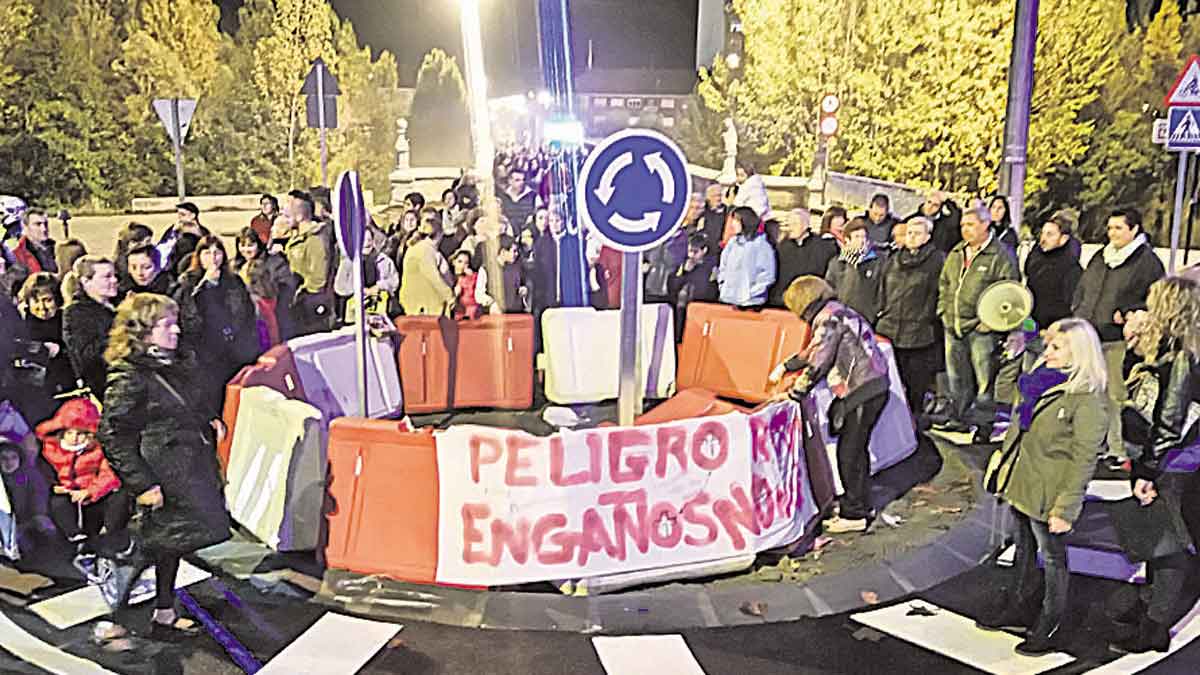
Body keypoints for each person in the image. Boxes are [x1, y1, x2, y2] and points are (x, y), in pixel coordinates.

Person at [97, 293, 231, 638]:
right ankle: (119, 616)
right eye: (165, 325)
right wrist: (142, 484)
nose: (175, 331)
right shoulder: (130, 376)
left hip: (186, 468)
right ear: (142, 332)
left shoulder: (174, 364)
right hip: (162, 474)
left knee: (170, 543)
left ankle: (162, 611)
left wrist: (208, 419)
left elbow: (185, 404)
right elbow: (113, 434)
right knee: (153, 546)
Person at [979, 318, 1108, 656]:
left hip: (1050, 493)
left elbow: (1083, 460)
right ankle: (1020, 605)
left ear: (1078, 354)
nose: (1046, 352)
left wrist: (1065, 508)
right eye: (1047, 345)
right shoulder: (1038, 382)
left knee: (1052, 558)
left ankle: (1052, 621)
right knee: (1023, 550)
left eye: (1055, 347)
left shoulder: (1086, 399)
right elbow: (1007, 408)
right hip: (1023, 482)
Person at [1106, 276, 1200, 654]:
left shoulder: (1181, 353)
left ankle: (1156, 624)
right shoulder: (1182, 347)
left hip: (1175, 459)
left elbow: (1170, 416)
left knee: (1168, 543)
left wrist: (1147, 468)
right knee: (1164, 535)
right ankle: (1152, 605)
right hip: (1183, 454)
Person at [772, 276, 890, 533]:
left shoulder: (827, 318)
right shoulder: (837, 311)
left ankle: (854, 513)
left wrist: (795, 393)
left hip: (862, 389)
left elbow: (819, 362)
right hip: (875, 384)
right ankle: (858, 502)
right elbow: (815, 350)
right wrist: (786, 366)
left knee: (849, 452)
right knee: (856, 449)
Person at [1072, 209, 1165, 458]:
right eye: (1110, 228)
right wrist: (1078, 311)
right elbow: (1083, 288)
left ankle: (1118, 448)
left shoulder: (1147, 262)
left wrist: (1129, 311)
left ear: (1134, 230)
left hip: (1119, 340)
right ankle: (1099, 442)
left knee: (1115, 395)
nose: (1112, 233)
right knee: (1093, 393)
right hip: (1092, 335)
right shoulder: (1101, 257)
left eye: (1118, 228)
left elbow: (1155, 300)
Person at [936, 207, 1020, 426]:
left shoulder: (1001, 255)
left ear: (985, 225)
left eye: (970, 225)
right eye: (963, 225)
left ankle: (983, 422)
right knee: (956, 377)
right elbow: (945, 283)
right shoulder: (957, 252)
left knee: (984, 378)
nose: (965, 230)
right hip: (953, 324)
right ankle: (959, 416)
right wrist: (943, 311)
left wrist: (991, 321)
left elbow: (1009, 291)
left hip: (982, 328)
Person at [174, 236, 259, 405]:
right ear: (198, 256)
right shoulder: (188, 285)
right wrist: (203, 286)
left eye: (217, 252)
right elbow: (186, 319)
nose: (213, 258)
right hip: (206, 355)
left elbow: (247, 314)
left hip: (235, 350)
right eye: (207, 253)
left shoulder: (234, 281)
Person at [36, 398, 128, 551]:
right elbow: (43, 470)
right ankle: (73, 536)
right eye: (69, 432)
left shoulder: (98, 450)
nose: (74, 438)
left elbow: (108, 473)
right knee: (58, 505)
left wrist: (90, 491)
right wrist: (53, 486)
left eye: (80, 433)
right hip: (65, 492)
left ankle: (109, 533)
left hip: (92, 492)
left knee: (117, 499)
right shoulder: (50, 449)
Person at [876, 217, 946, 412]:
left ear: (928, 236)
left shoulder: (937, 261)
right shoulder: (893, 260)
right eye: (909, 233)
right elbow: (882, 289)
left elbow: (941, 293)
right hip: (890, 329)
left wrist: (930, 317)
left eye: (917, 233)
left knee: (916, 384)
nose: (912, 237)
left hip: (920, 333)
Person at [14, 274, 77, 425]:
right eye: (35, 300)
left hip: (67, 386)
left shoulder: (67, 320)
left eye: (47, 300)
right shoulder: (21, 324)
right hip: (35, 392)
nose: (42, 307)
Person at [1023, 210, 1083, 355]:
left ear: (1063, 239)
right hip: (1031, 325)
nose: (1043, 239)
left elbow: (1071, 304)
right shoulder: (1036, 256)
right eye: (1043, 233)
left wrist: (1055, 328)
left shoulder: (1071, 268)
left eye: (1050, 235)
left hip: (1054, 333)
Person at [63, 256, 119, 399]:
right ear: (86, 281)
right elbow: (87, 355)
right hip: (106, 388)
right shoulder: (76, 314)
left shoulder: (118, 303)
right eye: (107, 277)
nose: (114, 281)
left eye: (114, 275)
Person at [284, 191, 333, 336]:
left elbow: (318, 279)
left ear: (299, 216)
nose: (285, 220)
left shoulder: (315, 239)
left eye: (288, 216)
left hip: (311, 309)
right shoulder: (296, 237)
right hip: (298, 306)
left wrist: (299, 293)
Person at [769, 208, 838, 308]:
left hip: (812, 303)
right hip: (784, 302)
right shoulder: (781, 247)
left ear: (805, 225)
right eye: (789, 224)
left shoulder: (824, 247)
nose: (790, 228)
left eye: (794, 224)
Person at [824, 217, 887, 324]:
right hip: (840, 319)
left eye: (863, 237)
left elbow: (881, 291)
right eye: (857, 237)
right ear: (847, 240)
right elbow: (829, 289)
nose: (861, 241)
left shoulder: (878, 262)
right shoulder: (837, 263)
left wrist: (875, 313)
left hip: (867, 320)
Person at [334, 226, 399, 321]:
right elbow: (339, 287)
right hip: (354, 312)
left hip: (379, 310)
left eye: (369, 239)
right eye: (362, 240)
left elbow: (394, 281)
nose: (366, 243)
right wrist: (361, 290)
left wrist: (379, 286)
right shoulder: (348, 262)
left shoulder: (384, 260)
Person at [718, 206, 776, 309]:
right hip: (728, 299)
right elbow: (723, 266)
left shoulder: (761, 245)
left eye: (736, 220)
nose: (732, 224)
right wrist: (723, 285)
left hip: (751, 303)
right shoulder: (732, 243)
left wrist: (750, 293)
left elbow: (767, 275)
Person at [667, 233, 720, 340]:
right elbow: (672, 288)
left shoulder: (711, 267)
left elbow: (711, 289)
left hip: (700, 309)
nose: (691, 255)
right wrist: (684, 273)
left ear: (704, 250)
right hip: (682, 309)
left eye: (695, 252)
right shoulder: (683, 264)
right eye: (690, 251)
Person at [398, 220, 455, 316]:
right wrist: (450, 296)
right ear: (439, 235)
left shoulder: (419, 248)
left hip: (419, 303)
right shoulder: (424, 249)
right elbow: (433, 276)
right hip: (422, 305)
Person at [475, 235, 527, 314]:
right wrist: (491, 303)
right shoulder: (486, 269)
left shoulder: (516, 267)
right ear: (503, 252)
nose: (516, 254)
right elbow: (479, 294)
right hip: (495, 315)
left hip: (516, 313)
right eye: (514, 251)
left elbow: (521, 285)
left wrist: (523, 290)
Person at [156, 202, 211, 276]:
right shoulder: (173, 229)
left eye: (182, 214)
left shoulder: (203, 232)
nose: (179, 218)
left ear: (193, 215)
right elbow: (161, 246)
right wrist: (173, 234)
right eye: (178, 214)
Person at [907, 190, 962, 254]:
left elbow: (956, 218)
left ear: (940, 208)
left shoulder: (943, 224)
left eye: (935, 205)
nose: (930, 207)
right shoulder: (912, 219)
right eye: (929, 202)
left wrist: (947, 201)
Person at [11, 208, 57, 275]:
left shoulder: (59, 248)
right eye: (38, 224)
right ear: (25, 227)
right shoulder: (16, 254)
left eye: (46, 224)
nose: (44, 229)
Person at [498, 169, 537, 234]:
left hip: (527, 235)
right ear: (510, 181)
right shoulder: (502, 197)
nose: (522, 183)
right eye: (517, 180)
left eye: (523, 180)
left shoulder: (534, 196)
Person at [698, 183, 729, 258]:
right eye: (715, 196)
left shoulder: (727, 211)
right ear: (708, 197)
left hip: (718, 252)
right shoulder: (702, 210)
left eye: (719, 195)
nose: (718, 198)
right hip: (702, 251)